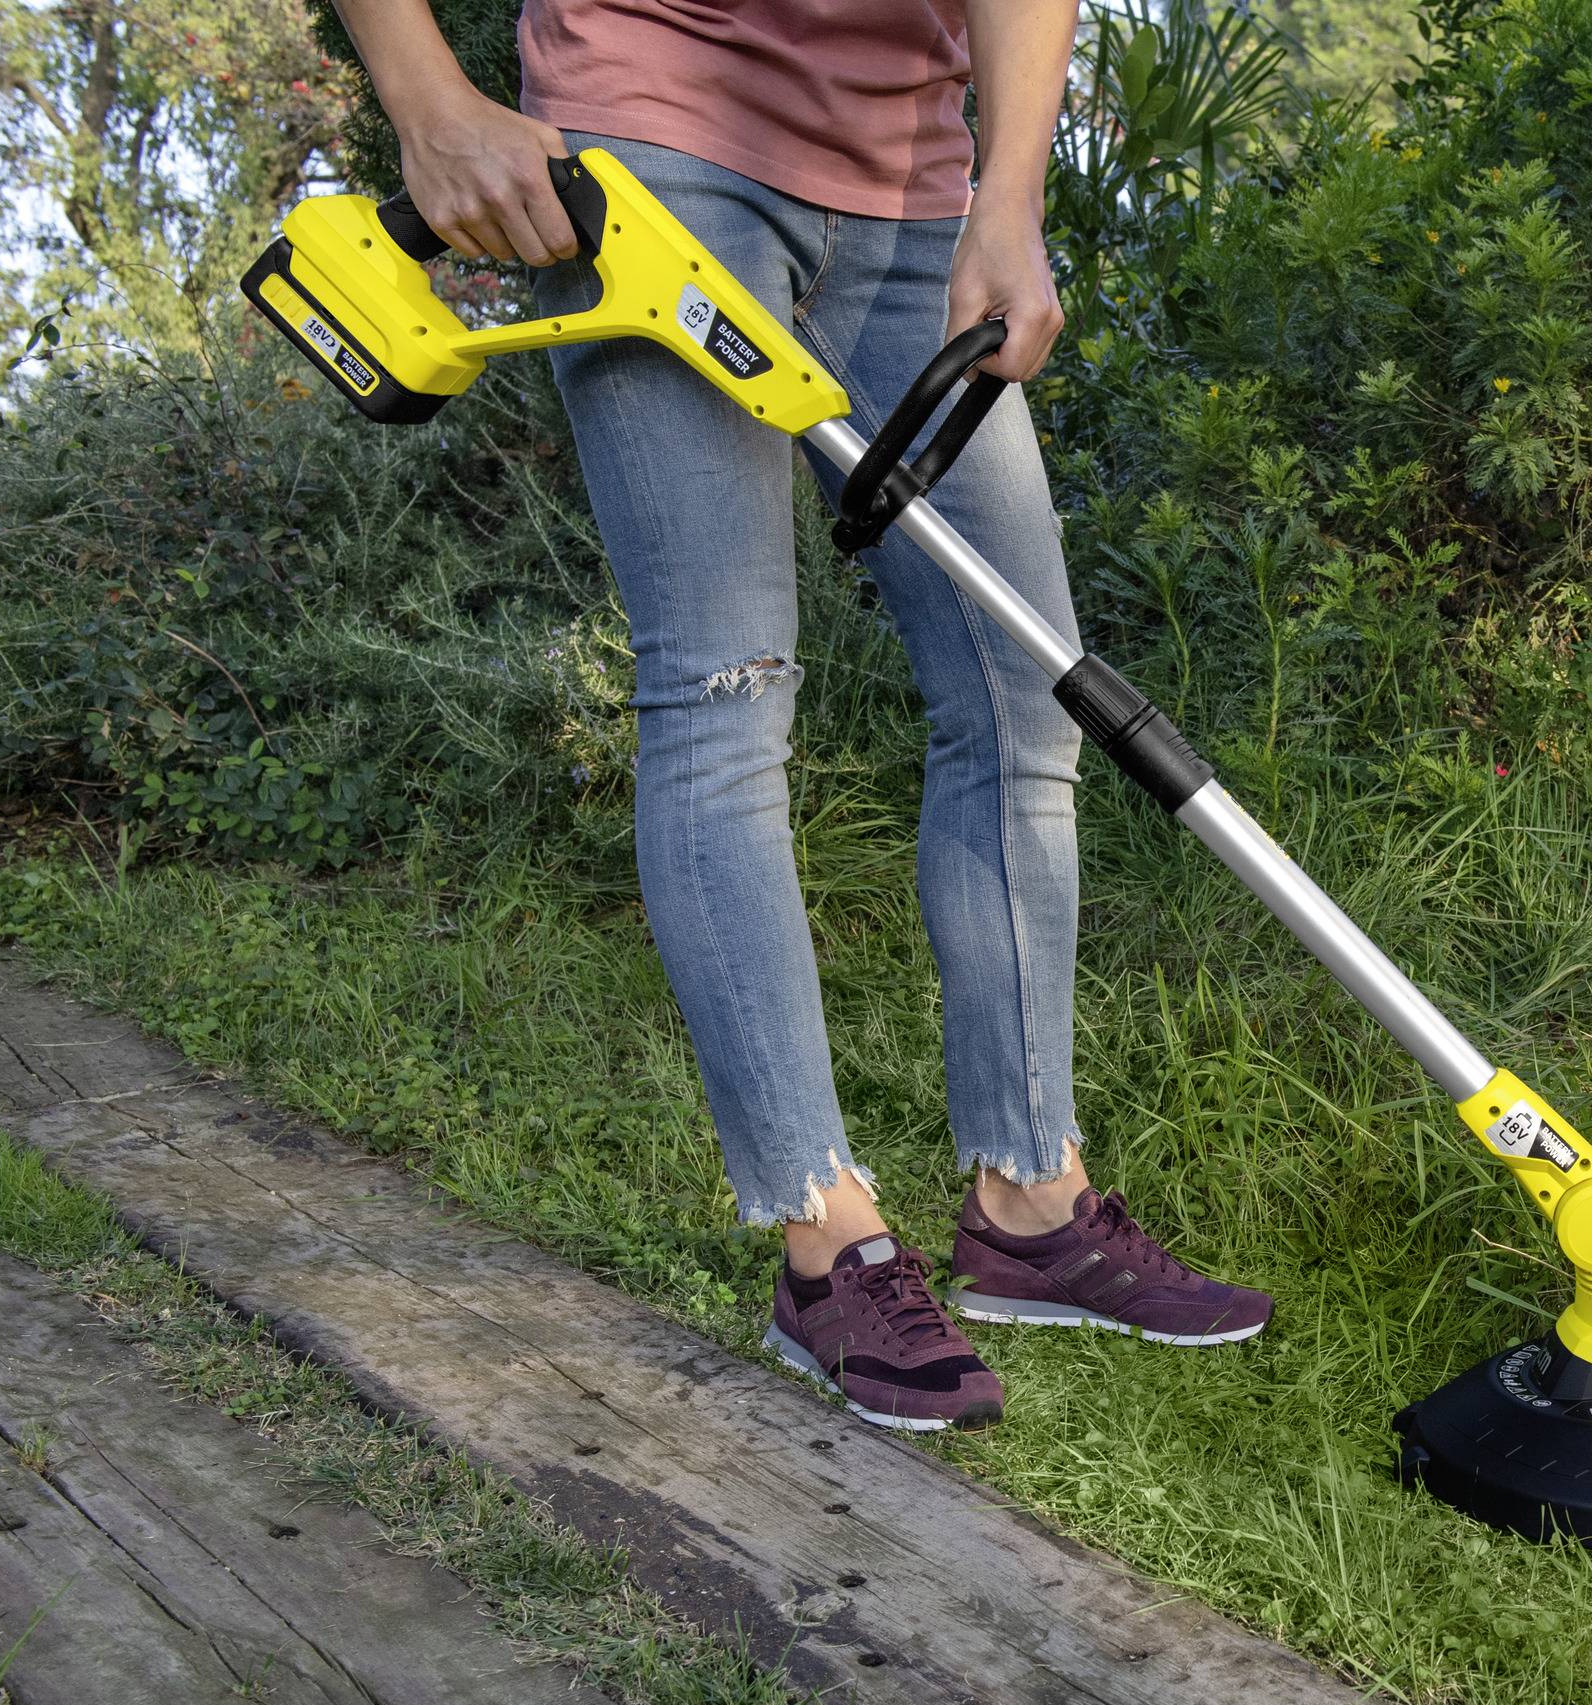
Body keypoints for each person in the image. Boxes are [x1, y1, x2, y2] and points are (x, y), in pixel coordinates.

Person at [328, 0, 1269, 1432]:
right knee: (724, 693)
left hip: (913, 191)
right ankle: (824, 1237)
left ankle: (1032, 1202)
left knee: (1025, 693)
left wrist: (1007, 201)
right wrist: (428, 100)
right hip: (654, 157)